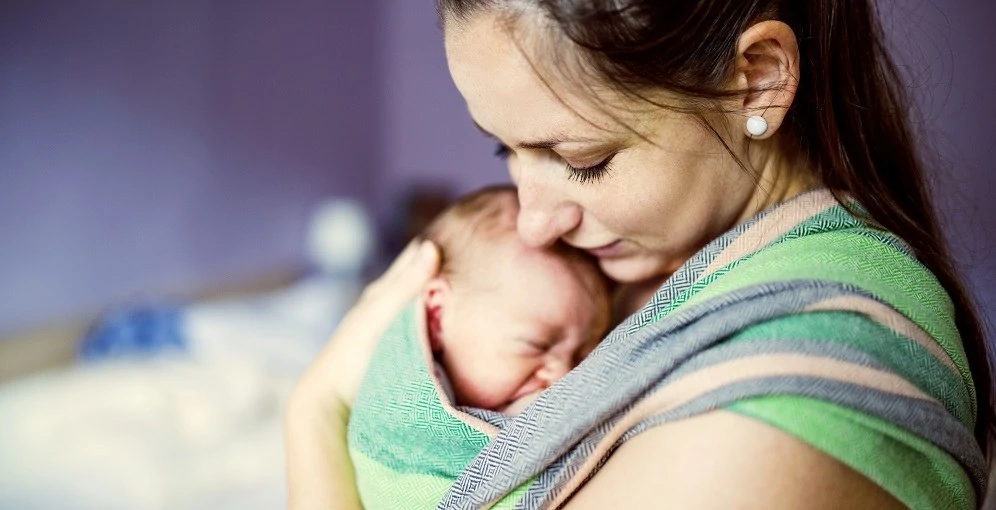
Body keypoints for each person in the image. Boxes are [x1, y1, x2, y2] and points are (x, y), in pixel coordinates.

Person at [286, 1, 993, 509]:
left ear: (757, 77)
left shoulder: (778, 411)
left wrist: (316, 414)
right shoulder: (639, 275)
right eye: (505, 148)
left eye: (581, 159)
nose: (534, 222)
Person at [345, 185, 611, 508]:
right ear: (438, 315)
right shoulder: (399, 404)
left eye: (584, 354)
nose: (565, 373)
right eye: (536, 345)